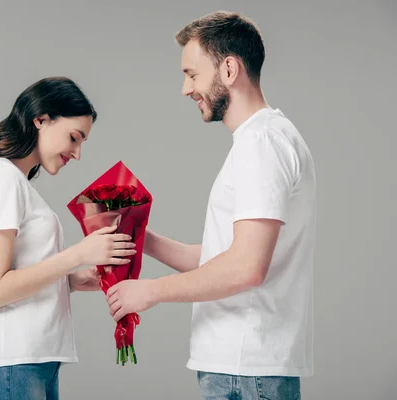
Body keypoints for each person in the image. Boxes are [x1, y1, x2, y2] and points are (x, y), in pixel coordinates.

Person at [105, 11, 316, 400]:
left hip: (246, 371)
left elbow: (245, 267)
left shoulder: (261, 145)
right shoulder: (266, 139)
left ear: (230, 69)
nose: (186, 89)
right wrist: (141, 236)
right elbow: (226, 257)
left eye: (192, 74)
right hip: (244, 367)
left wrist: (149, 292)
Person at [0, 76, 136, 400]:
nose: (77, 153)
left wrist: (73, 280)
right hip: (9, 368)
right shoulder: (2, 179)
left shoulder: (14, 182)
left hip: (30, 365)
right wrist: (78, 254)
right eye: (74, 138)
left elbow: (18, 275)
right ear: (41, 119)